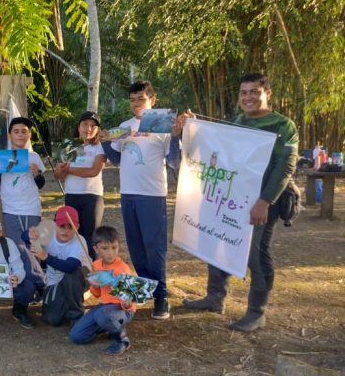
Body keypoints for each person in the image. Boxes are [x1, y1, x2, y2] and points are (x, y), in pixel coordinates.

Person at [183, 73, 298, 333]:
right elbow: (220, 149)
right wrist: (194, 127)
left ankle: (257, 313)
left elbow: (285, 166)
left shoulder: (283, 125)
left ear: (267, 93)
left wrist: (264, 201)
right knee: (215, 242)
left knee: (256, 254)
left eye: (255, 92)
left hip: (263, 201)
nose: (248, 97)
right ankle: (215, 298)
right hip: (232, 197)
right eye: (244, 92)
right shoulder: (237, 121)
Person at [102, 80, 184, 320]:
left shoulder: (163, 125)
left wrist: (177, 137)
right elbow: (117, 158)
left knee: (154, 247)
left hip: (152, 195)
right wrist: (106, 141)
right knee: (136, 245)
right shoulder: (124, 126)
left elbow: (174, 161)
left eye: (142, 99)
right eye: (133, 100)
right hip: (128, 194)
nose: (137, 104)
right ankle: (145, 288)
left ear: (153, 100)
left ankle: (162, 296)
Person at [0, 116, 47, 292]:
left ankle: (36, 284)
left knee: (34, 246)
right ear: (9, 134)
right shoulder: (1, 156)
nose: (20, 135)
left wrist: (37, 174)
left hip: (32, 209)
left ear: (30, 134)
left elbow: (41, 185)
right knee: (18, 247)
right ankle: (29, 284)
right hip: (11, 210)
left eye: (24, 131)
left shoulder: (34, 157)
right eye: (16, 131)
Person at [69, 226, 136, 355]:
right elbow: (97, 293)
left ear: (118, 246)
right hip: (104, 308)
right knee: (76, 336)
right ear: (96, 248)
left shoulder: (123, 269)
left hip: (123, 309)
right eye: (105, 248)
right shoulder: (96, 265)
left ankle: (121, 340)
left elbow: (130, 302)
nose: (110, 253)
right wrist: (93, 284)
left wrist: (125, 300)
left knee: (102, 314)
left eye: (114, 247)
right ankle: (109, 326)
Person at [54, 111, 107, 259]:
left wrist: (68, 169)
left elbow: (93, 171)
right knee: (71, 234)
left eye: (93, 126)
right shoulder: (67, 146)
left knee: (91, 237)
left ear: (97, 130)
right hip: (71, 196)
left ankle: (92, 272)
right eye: (85, 124)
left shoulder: (100, 147)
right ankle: (75, 269)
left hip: (92, 197)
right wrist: (60, 170)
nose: (88, 129)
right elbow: (58, 176)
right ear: (78, 126)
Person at [28, 206, 91, 326]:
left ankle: (76, 315)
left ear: (77, 228)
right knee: (53, 320)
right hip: (55, 281)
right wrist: (32, 235)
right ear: (55, 226)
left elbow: (70, 266)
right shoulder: (48, 234)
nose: (65, 231)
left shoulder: (80, 240)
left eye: (70, 227)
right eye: (62, 226)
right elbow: (25, 237)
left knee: (72, 273)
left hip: (79, 279)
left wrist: (45, 257)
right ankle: (65, 302)